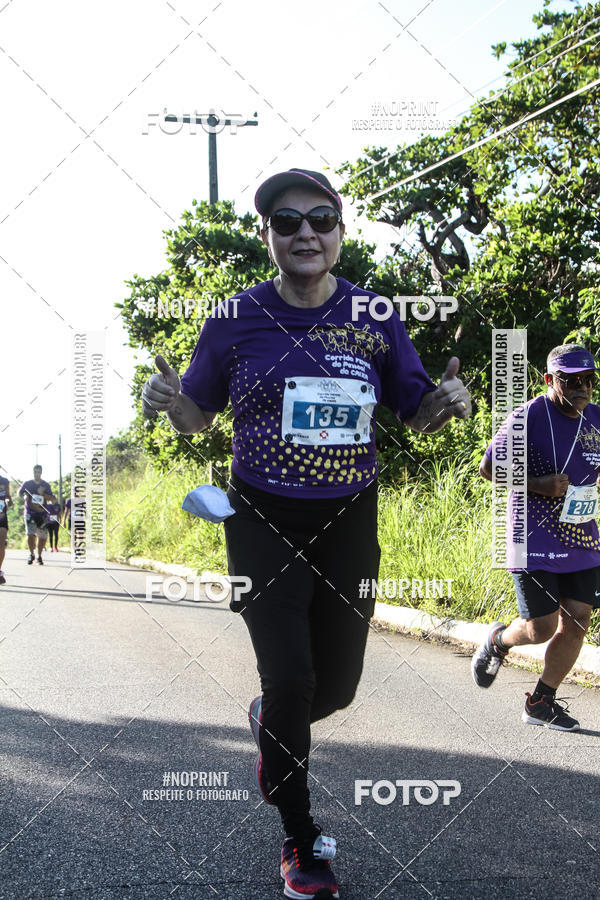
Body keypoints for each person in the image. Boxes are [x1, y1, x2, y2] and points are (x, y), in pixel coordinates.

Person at [142, 168, 472, 899]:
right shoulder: (235, 317)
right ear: (267, 236)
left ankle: (273, 721)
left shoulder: (374, 313)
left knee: (337, 687)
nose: (305, 234)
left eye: (320, 219)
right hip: (260, 516)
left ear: (340, 232)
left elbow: (414, 413)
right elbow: (197, 417)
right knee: (290, 677)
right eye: (287, 222)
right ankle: (300, 840)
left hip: (348, 515)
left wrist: (444, 403)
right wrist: (168, 400)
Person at [473, 344, 600, 732]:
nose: (582, 387)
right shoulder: (527, 416)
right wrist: (538, 484)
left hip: (581, 535)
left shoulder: (596, 418)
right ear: (549, 380)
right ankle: (499, 641)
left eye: (589, 379)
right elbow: (488, 468)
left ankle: (541, 702)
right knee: (540, 627)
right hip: (534, 536)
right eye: (572, 381)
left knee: (578, 618)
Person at [19, 465, 56, 565]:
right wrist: (24, 496)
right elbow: (20, 493)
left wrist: (43, 494)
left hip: (42, 514)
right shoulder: (27, 483)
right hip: (30, 513)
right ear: (33, 472)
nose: (37, 474)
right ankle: (31, 554)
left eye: (39, 472)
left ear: (41, 473)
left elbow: (52, 499)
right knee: (30, 533)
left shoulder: (46, 485)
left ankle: (39, 556)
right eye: (35, 472)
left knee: (42, 537)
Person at [0, 475, 13, 584]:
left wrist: (8, 501)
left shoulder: (5, 481)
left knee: (1, 544)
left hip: (2, 516)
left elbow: (8, 498)